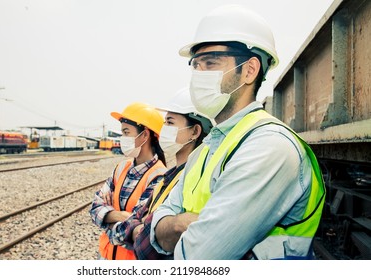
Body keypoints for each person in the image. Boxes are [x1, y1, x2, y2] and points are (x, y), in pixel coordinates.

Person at [151, 5, 326, 260]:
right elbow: (158, 234)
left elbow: (198, 258)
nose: (198, 75)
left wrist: (175, 225)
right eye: (195, 65)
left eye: (210, 63)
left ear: (249, 70)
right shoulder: (203, 152)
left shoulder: (270, 146)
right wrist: (179, 224)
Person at [105, 88, 213, 260]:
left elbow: (148, 239)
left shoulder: (193, 177)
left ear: (195, 131)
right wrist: (137, 227)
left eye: (170, 122)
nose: (163, 130)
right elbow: (137, 221)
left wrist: (138, 229)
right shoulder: (169, 177)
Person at [90, 102, 167, 260]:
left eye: (126, 132)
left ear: (144, 135)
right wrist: (121, 217)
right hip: (105, 256)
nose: (122, 138)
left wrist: (107, 217)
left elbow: (140, 230)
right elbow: (95, 207)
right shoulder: (121, 167)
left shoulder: (159, 176)